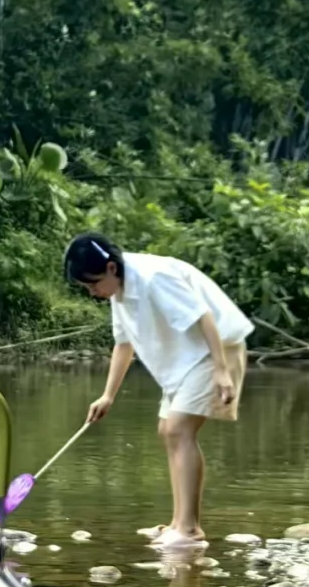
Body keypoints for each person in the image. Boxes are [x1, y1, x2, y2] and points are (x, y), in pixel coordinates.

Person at [64, 232, 253, 549]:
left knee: (179, 430)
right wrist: (107, 395)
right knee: (167, 430)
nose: (93, 292)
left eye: (93, 283)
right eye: (86, 287)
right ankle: (179, 523)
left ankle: (190, 530)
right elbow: (124, 344)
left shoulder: (154, 276)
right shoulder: (119, 293)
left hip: (214, 351)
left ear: (111, 268)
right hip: (186, 359)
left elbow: (203, 316)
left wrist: (222, 370)